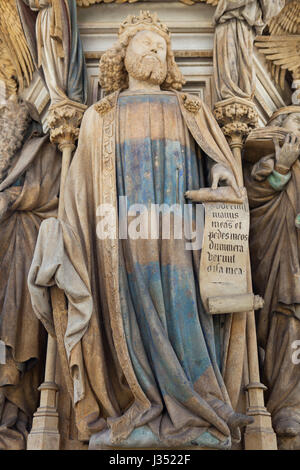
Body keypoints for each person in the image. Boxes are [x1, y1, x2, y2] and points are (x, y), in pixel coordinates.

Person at [29, 11, 252, 449]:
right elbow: (78, 193)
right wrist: (64, 235)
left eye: (161, 46)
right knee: (127, 319)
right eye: (144, 43)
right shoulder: (99, 116)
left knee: (188, 312)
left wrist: (224, 176)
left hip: (182, 238)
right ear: (122, 55)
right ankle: (140, 402)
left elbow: (219, 161)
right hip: (120, 244)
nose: (154, 49)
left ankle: (200, 406)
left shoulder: (191, 108)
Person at [0, 96, 61, 449]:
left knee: (14, 345)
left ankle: (13, 419)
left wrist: (11, 200)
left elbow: (52, 190)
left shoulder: (42, 147)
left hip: (21, 255)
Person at [244, 107, 300, 439]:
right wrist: (281, 168)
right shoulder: (267, 163)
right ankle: (286, 407)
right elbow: (251, 197)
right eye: (297, 120)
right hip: (280, 261)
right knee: (287, 331)